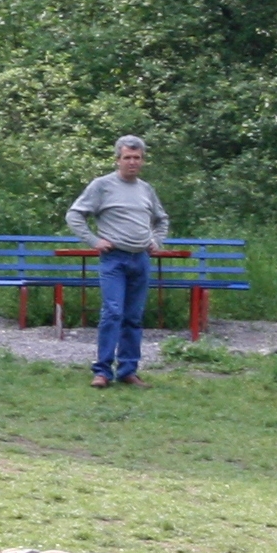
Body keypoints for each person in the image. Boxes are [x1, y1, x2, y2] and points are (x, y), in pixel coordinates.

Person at [65, 136, 171, 388]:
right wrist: (93, 240)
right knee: (113, 312)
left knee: (134, 316)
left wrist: (156, 241)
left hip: (141, 259)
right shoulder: (102, 186)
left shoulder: (146, 189)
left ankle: (128, 370)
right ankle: (102, 371)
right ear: (118, 159)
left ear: (143, 160)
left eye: (137, 158)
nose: (132, 162)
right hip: (114, 259)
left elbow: (161, 218)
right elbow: (75, 215)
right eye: (127, 157)